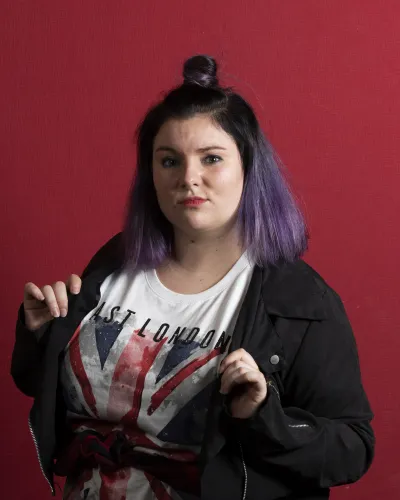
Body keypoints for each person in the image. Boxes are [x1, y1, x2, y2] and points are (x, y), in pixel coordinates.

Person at [11, 55, 374, 500]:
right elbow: (41, 386)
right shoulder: (115, 262)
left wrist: (264, 415)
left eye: (212, 158)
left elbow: (352, 449)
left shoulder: (300, 301)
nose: (188, 178)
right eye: (169, 161)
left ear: (248, 167)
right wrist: (41, 334)